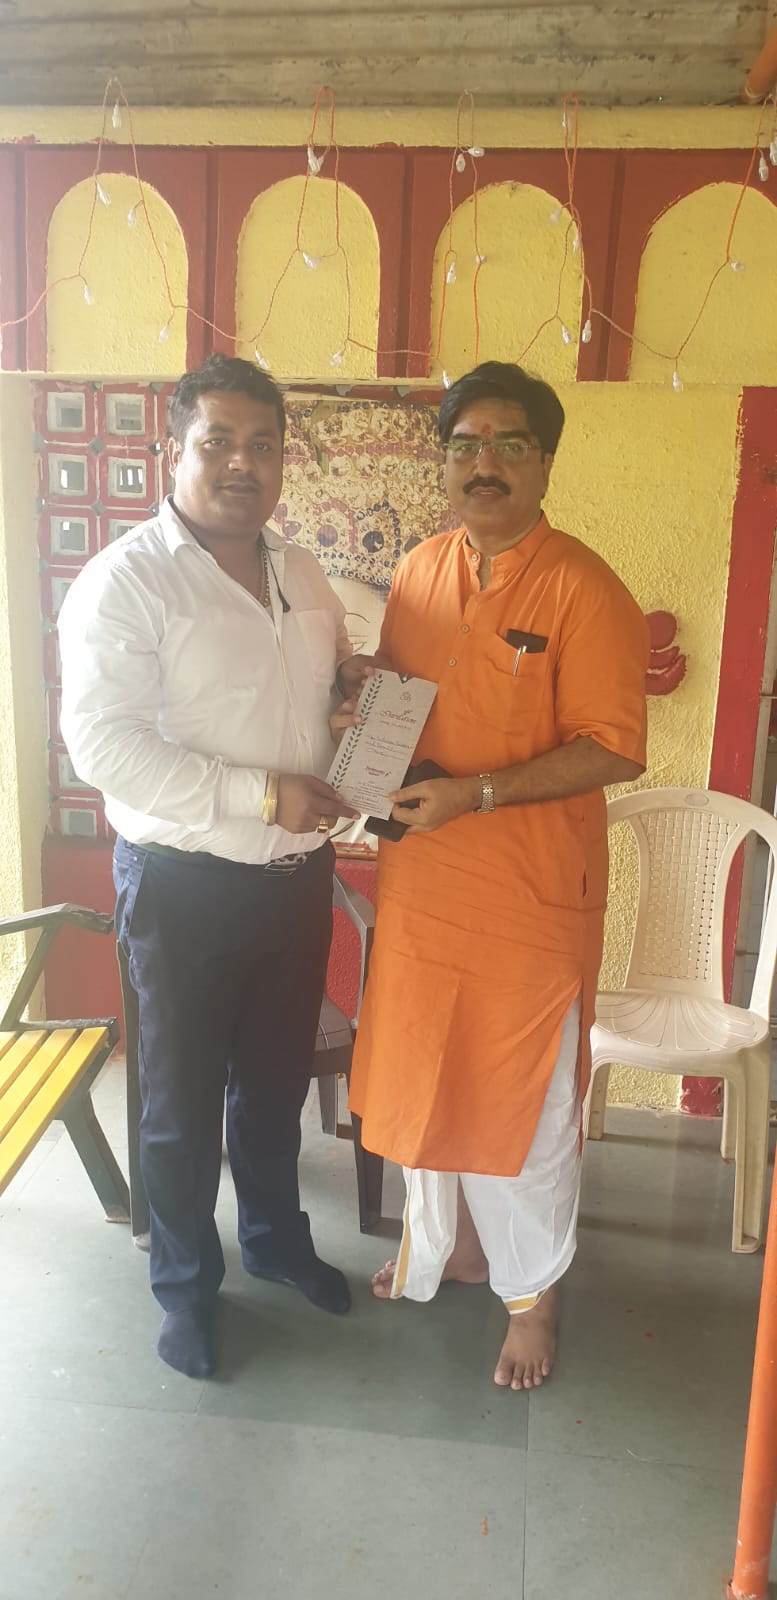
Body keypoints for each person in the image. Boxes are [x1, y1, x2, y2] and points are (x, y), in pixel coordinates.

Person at [59, 353, 369, 1380]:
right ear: (174, 451)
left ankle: (275, 1242)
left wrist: (350, 687)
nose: (244, 462)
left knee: (273, 1087)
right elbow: (105, 747)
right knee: (180, 1103)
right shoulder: (125, 581)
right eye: (219, 441)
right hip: (181, 884)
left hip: (295, 882)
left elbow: (314, 696)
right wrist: (260, 794)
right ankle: (186, 1286)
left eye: (263, 444)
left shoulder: (302, 572)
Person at [346, 361, 649, 1392]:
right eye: (465, 445)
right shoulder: (420, 570)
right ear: (444, 462)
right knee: (426, 1077)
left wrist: (477, 794)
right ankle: (451, 1248)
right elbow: (409, 702)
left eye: (508, 444)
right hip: (426, 884)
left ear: (544, 462)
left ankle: (533, 1297)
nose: (485, 465)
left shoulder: (584, 588)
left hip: (528, 894)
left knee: (522, 1097)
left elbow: (613, 746)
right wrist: (361, 702)